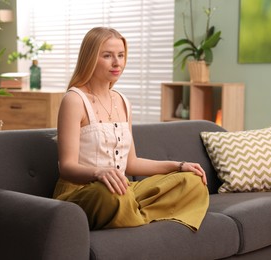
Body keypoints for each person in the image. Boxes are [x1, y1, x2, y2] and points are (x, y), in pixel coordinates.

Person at [53, 27, 209, 231]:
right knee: (112, 194)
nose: (117, 62)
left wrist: (179, 165)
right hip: (89, 193)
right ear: (90, 58)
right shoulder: (74, 100)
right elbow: (67, 166)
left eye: (121, 55)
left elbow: (132, 164)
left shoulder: (123, 101)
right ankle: (135, 215)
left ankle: (130, 215)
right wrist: (99, 173)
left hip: (122, 190)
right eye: (107, 56)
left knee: (192, 182)